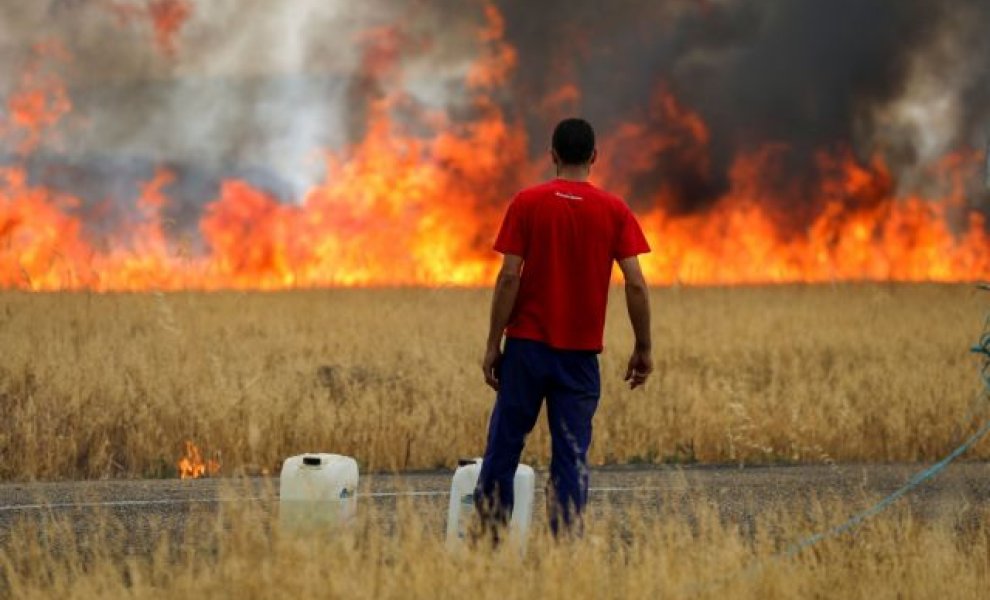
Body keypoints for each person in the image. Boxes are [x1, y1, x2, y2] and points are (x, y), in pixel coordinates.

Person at [474, 117, 653, 539]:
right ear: (594, 157)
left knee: (503, 447)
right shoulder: (615, 210)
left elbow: (509, 276)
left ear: (552, 154)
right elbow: (637, 283)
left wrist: (492, 343)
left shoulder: (526, 203)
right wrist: (643, 347)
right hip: (579, 359)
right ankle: (564, 549)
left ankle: (489, 544)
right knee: (571, 456)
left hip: (526, 351)